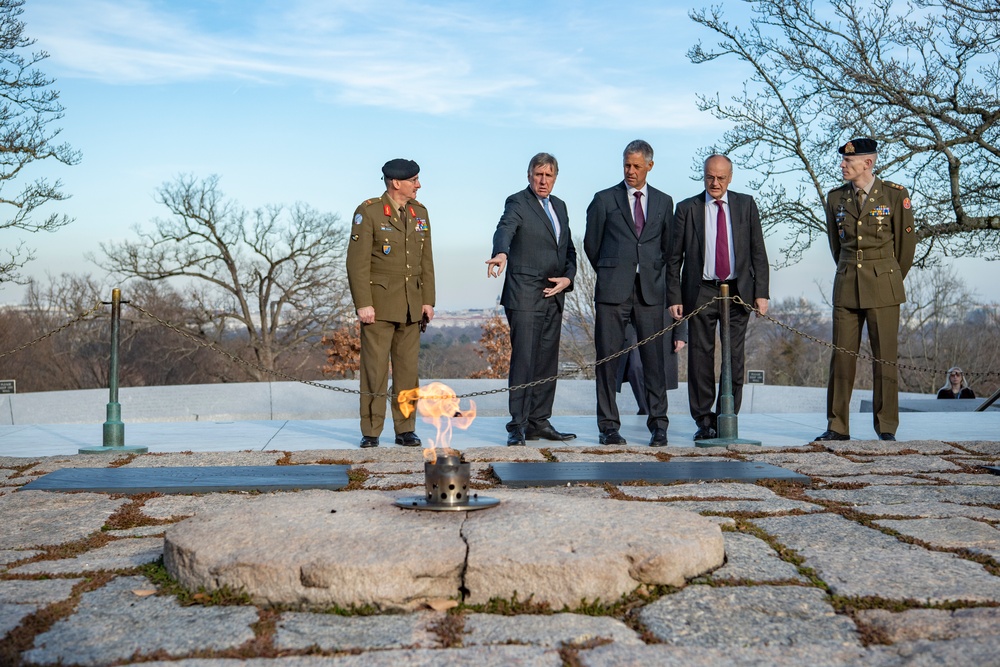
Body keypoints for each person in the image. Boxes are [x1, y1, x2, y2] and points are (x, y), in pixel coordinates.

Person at [815, 138, 916, 442]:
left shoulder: (895, 196)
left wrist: (886, 276)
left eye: (849, 161)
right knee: (841, 357)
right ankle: (837, 426)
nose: (842, 165)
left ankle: (886, 427)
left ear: (867, 163)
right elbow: (837, 245)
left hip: (883, 284)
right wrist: (851, 269)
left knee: (885, 358)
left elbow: (906, 248)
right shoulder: (835, 199)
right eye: (843, 160)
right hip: (847, 284)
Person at [667, 154, 770, 441]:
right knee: (700, 357)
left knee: (735, 358)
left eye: (720, 178)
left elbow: (758, 251)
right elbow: (674, 259)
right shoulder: (687, 208)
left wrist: (762, 292)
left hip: (738, 291)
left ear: (730, 177)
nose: (715, 183)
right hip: (701, 291)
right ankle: (704, 421)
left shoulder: (746, 205)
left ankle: (728, 415)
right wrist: (674, 296)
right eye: (710, 177)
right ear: (704, 175)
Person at [585, 139, 674, 446]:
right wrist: (612, 272)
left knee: (654, 361)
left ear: (650, 165)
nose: (631, 171)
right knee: (607, 360)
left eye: (637, 166)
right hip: (612, 291)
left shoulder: (664, 202)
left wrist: (650, 271)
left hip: (650, 291)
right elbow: (591, 245)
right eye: (626, 165)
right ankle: (608, 426)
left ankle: (659, 424)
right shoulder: (603, 199)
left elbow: (668, 248)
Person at [486, 153, 577, 446]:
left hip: (554, 296)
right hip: (524, 294)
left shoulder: (560, 207)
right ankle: (518, 425)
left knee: (547, 362)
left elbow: (569, 250)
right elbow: (505, 229)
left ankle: (539, 422)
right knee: (524, 361)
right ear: (529, 176)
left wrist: (568, 278)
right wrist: (501, 252)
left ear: (555, 178)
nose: (543, 180)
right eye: (538, 174)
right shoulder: (517, 202)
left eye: (548, 175)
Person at [346, 159, 435, 448]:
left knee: (408, 371)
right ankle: (371, 430)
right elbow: (356, 263)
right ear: (397, 183)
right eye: (414, 180)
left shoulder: (420, 212)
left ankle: (405, 429)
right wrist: (363, 304)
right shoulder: (369, 212)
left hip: (411, 305)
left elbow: (426, 261)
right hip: (379, 306)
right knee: (374, 370)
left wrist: (428, 301)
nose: (418, 185)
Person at [615, 320, 688, 415]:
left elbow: (678, 306)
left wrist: (681, 333)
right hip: (632, 323)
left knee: (657, 369)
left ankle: (655, 414)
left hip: (660, 324)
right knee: (635, 366)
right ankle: (648, 411)